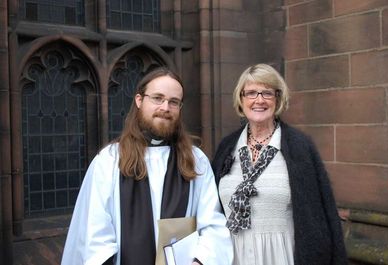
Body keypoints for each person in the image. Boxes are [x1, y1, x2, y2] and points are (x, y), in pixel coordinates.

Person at [61, 67, 233, 265]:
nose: (165, 107)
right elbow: (94, 232)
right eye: (157, 98)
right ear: (139, 100)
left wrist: (201, 261)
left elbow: (212, 224)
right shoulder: (109, 161)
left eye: (173, 102)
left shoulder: (195, 160)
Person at [212, 64, 347, 265]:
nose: (259, 100)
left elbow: (320, 214)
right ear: (241, 99)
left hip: (282, 256)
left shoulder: (300, 146)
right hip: (233, 256)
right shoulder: (227, 147)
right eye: (251, 93)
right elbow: (212, 211)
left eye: (267, 93)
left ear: (278, 98)